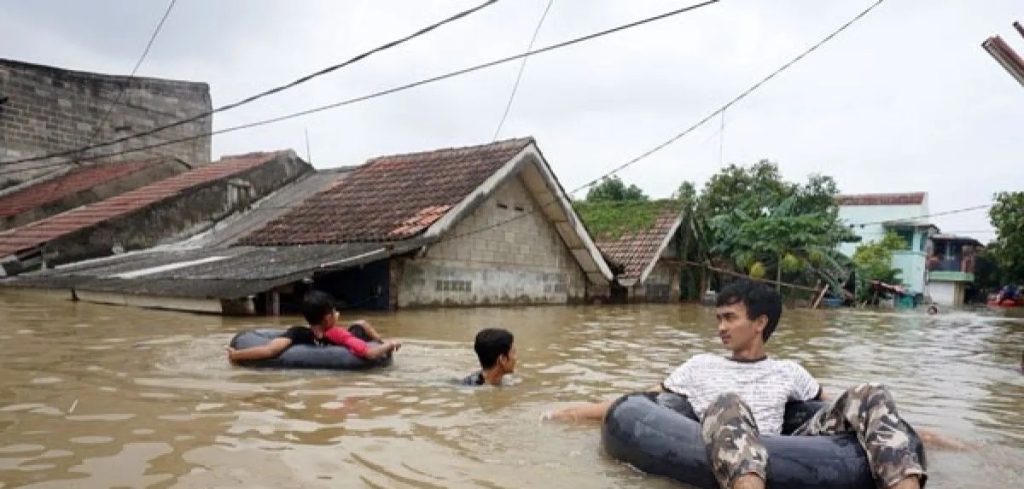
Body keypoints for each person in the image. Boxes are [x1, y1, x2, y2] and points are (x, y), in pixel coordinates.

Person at [549, 280, 927, 489]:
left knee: (872, 389)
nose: (720, 328)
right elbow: (642, 401)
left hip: (781, 448)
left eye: (729, 318)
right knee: (729, 401)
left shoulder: (788, 371)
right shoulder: (700, 367)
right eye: (718, 318)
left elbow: (852, 409)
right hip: (724, 440)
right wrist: (570, 413)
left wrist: (921, 435)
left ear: (760, 323)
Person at [226, 290, 400, 364]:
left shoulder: (299, 333)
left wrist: (236, 355)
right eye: (335, 311)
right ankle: (380, 341)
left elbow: (270, 350)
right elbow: (368, 353)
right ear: (327, 318)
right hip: (341, 343)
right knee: (361, 323)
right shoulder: (339, 335)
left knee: (360, 324)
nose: (338, 313)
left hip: (335, 342)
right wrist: (388, 345)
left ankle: (378, 340)